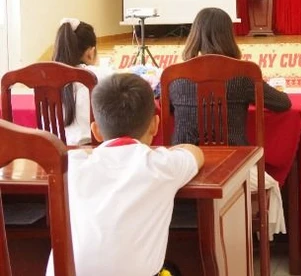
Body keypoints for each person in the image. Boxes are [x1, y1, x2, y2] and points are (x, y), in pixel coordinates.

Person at [46, 73, 205, 276]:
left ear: (96, 132)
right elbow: (195, 153)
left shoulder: (70, 165)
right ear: (155, 125)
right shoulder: (162, 165)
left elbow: (73, 154)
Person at [169, 7, 289, 237]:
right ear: (228, 36)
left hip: (183, 165)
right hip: (233, 167)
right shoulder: (242, 75)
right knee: (272, 184)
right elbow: (282, 103)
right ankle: (256, 241)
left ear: (194, 34)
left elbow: (162, 103)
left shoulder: (174, 76)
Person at [51, 18, 113, 145]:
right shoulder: (101, 75)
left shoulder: (45, 77)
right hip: (92, 153)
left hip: (52, 152)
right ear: (91, 53)